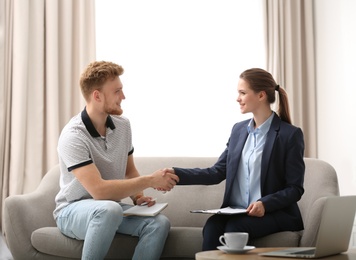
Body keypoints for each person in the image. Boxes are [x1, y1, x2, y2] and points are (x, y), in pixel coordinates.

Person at [164, 68, 305, 250]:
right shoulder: (238, 131)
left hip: (275, 213)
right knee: (212, 226)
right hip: (237, 211)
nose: (237, 98)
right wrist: (176, 174)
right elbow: (216, 172)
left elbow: (295, 188)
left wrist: (265, 203)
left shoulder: (289, 135)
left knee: (235, 228)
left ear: (261, 95)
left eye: (242, 93)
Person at [54, 61, 179, 260]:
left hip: (108, 209)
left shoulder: (123, 126)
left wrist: (138, 197)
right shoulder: (73, 135)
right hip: (72, 211)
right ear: (97, 96)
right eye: (117, 91)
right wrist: (150, 180)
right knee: (109, 208)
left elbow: (129, 170)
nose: (123, 96)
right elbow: (99, 191)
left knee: (158, 223)